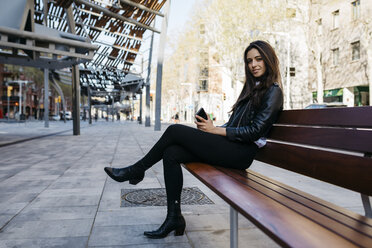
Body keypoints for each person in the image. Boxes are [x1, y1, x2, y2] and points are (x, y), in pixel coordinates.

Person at [104, 40, 283, 239]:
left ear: (268, 60)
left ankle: (137, 169)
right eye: (249, 61)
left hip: (241, 154)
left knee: (174, 131)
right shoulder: (252, 90)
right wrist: (211, 129)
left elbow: (255, 131)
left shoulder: (273, 92)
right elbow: (235, 124)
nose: (253, 64)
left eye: (258, 59)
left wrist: (215, 131)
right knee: (171, 153)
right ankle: (174, 217)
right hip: (233, 147)